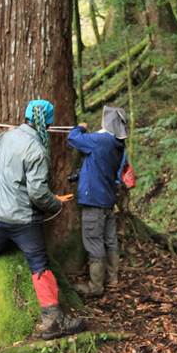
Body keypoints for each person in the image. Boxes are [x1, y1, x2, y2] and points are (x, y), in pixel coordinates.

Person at [0, 99, 85, 340]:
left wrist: (9, 132)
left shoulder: (9, 137)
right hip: (24, 220)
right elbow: (37, 193)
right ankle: (54, 320)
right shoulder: (36, 150)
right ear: (46, 123)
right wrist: (55, 203)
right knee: (39, 263)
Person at [67, 106, 127, 296]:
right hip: (108, 200)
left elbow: (73, 138)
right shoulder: (118, 145)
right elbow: (98, 166)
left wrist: (80, 128)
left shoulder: (100, 140)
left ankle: (96, 286)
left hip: (94, 200)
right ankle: (113, 279)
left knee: (94, 242)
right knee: (110, 240)